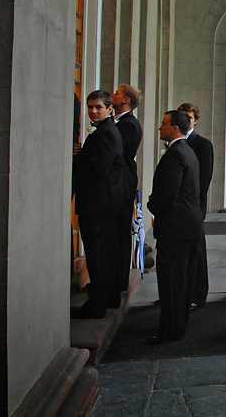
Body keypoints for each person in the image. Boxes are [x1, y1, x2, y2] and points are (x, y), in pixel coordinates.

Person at [145, 110, 203, 344]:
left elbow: (168, 194)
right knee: (181, 280)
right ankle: (176, 326)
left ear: (175, 129)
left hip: (176, 227)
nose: (160, 128)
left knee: (171, 281)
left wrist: (151, 204)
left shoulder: (176, 154)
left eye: (163, 124)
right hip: (188, 225)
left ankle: (170, 330)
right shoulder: (186, 150)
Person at [71, 90, 125, 319]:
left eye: (98, 107)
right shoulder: (106, 131)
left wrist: (78, 159)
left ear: (109, 108)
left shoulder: (106, 133)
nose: (93, 111)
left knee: (98, 257)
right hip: (104, 205)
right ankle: (109, 297)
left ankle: (97, 304)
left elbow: (96, 169)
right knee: (105, 255)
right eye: (90, 107)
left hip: (98, 206)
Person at [178, 102, 213, 311]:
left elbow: (204, 178)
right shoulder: (176, 142)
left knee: (197, 251)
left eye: (188, 117)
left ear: (195, 120)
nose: (185, 120)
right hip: (178, 208)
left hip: (193, 206)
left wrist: (195, 206)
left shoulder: (202, 144)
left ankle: (197, 294)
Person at [111, 84, 143, 296]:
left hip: (121, 184)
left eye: (117, 93)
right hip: (119, 184)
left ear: (125, 101)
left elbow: (116, 154)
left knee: (119, 235)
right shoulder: (121, 123)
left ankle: (118, 280)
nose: (112, 95)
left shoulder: (128, 125)